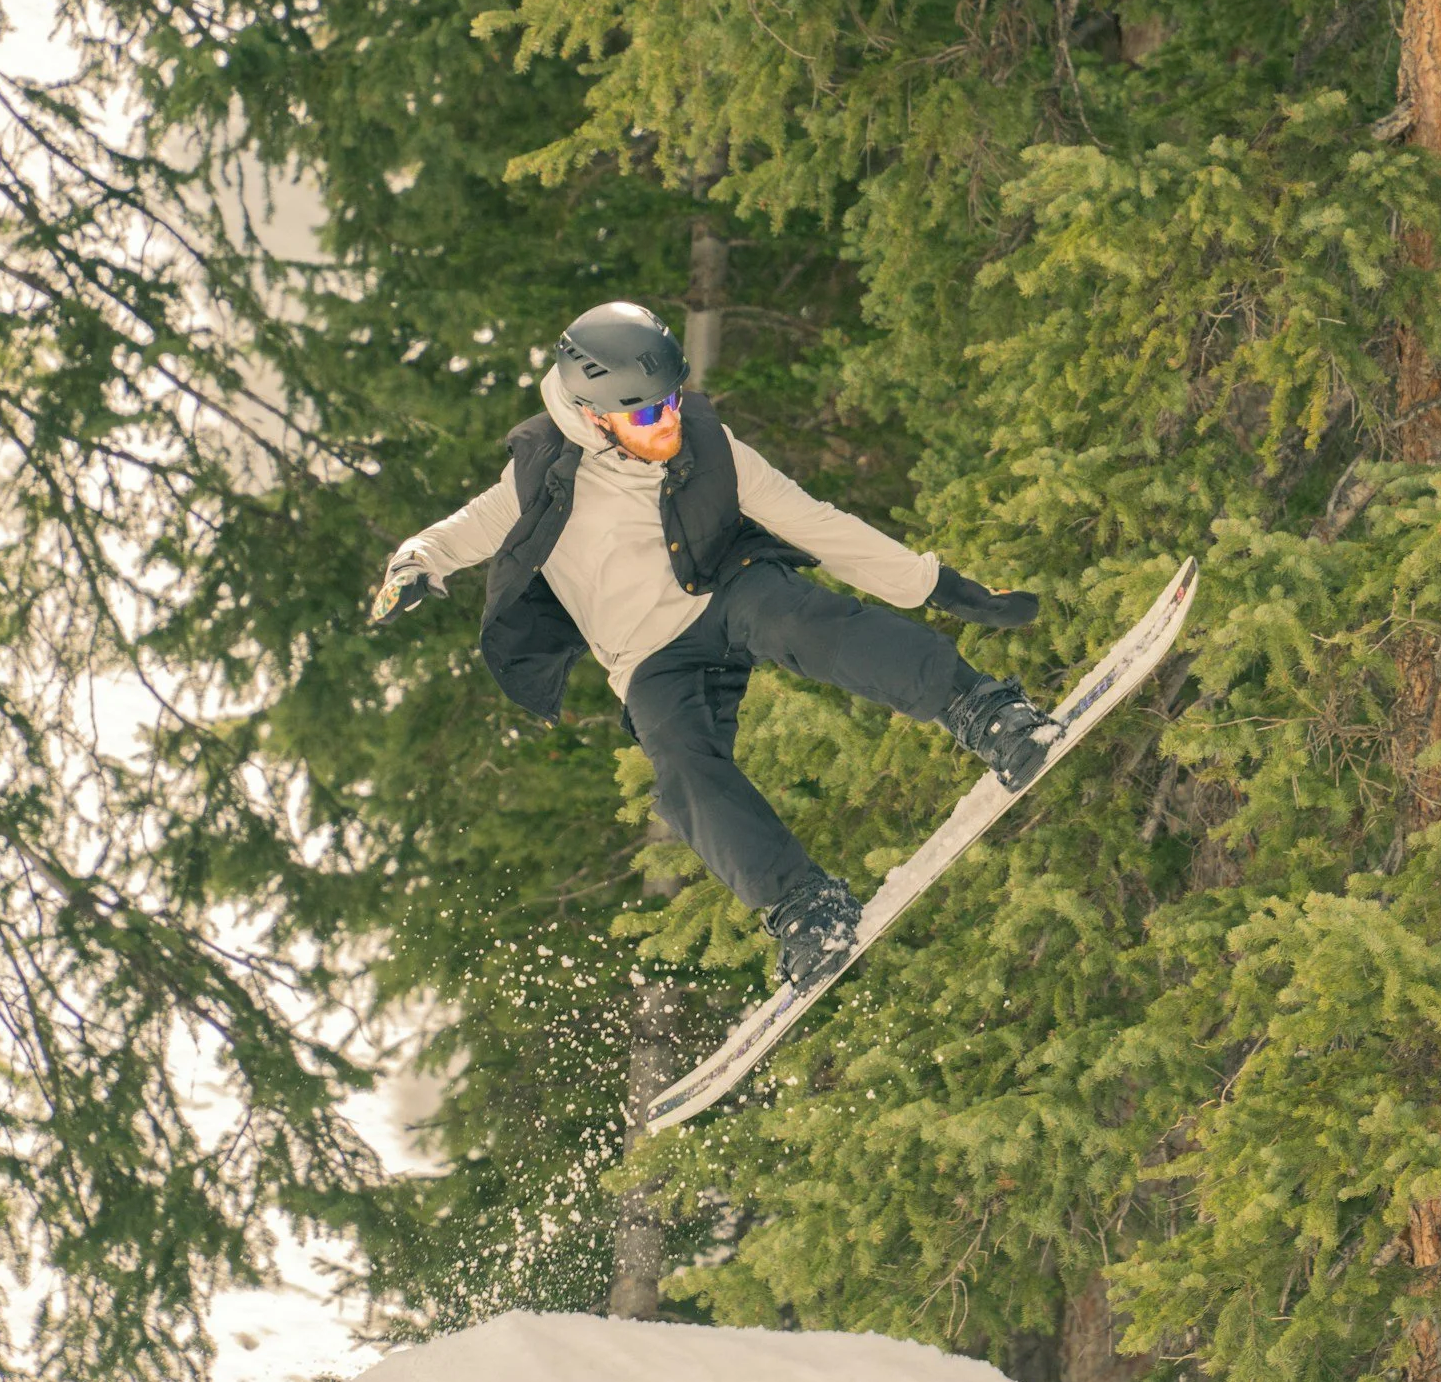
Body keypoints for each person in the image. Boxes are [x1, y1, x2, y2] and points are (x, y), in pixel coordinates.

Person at [370, 301, 1057, 992]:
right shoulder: (539, 477)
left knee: (801, 619)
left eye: (670, 399)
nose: (667, 421)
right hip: (647, 658)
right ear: (592, 415)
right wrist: (411, 565)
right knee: (679, 765)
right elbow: (450, 537)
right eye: (645, 415)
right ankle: (803, 906)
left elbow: (819, 525)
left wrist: (932, 583)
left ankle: (982, 711)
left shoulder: (711, 445)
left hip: (725, 590)